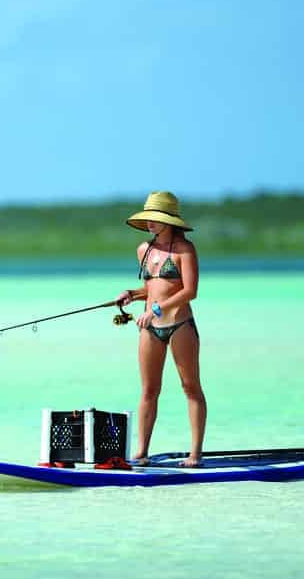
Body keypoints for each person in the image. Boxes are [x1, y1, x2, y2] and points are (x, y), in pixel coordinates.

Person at [115, 191, 205, 467]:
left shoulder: (184, 250)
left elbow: (189, 291)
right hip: (150, 328)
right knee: (149, 390)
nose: (150, 223)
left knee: (190, 388)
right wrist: (132, 293)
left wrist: (157, 309)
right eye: (148, 219)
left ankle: (195, 454)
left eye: (156, 219)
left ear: (170, 221)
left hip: (179, 325)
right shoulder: (144, 249)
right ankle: (141, 452)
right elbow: (153, 288)